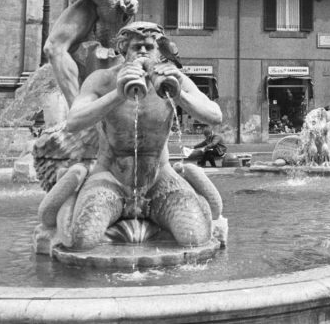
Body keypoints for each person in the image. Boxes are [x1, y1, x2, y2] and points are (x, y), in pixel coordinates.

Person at [43, 21, 223, 250]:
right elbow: (73, 122)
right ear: (124, 50)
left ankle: (192, 201)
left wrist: (179, 96)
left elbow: (215, 116)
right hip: (111, 178)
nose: (143, 52)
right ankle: (72, 201)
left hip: (159, 180)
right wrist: (118, 94)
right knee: (83, 239)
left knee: (193, 237)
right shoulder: (103, 79)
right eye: (136, 46)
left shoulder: (174, 78)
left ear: (159, 51)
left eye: (150, 47)